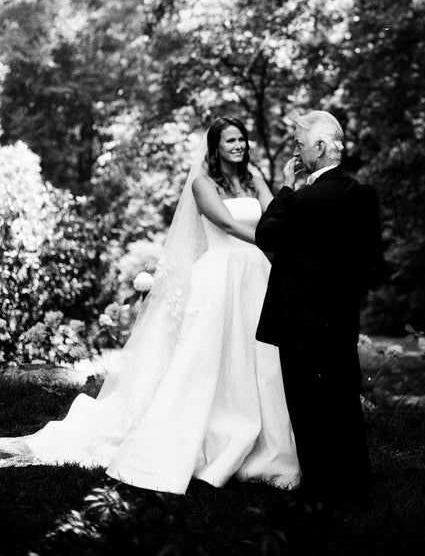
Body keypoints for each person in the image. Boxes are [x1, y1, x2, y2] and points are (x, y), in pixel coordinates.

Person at [0, 117, 300, 494]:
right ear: (215, 146)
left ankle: (263, 447)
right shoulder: (202, 184)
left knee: (259, 359)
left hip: (256, 275)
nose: (238, 145)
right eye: (230, 140)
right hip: (220, 278)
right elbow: (227, 224)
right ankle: (206, 435)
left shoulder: (254, 178)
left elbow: (275, 214)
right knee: (207, 359)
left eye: (242, 138)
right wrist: (272, 237)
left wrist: (286, 188)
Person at [255, 110, 383, 509]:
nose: (295, 150)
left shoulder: (303, 198)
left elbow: (265, 234)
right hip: (341, 316)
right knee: (343, 397)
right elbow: (372, 263)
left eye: (299, 143)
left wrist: (287, 187)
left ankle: (319, 490)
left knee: (307, 406)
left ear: (322, 147)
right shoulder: (364, 195)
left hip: (299, 317)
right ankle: (355, 486)